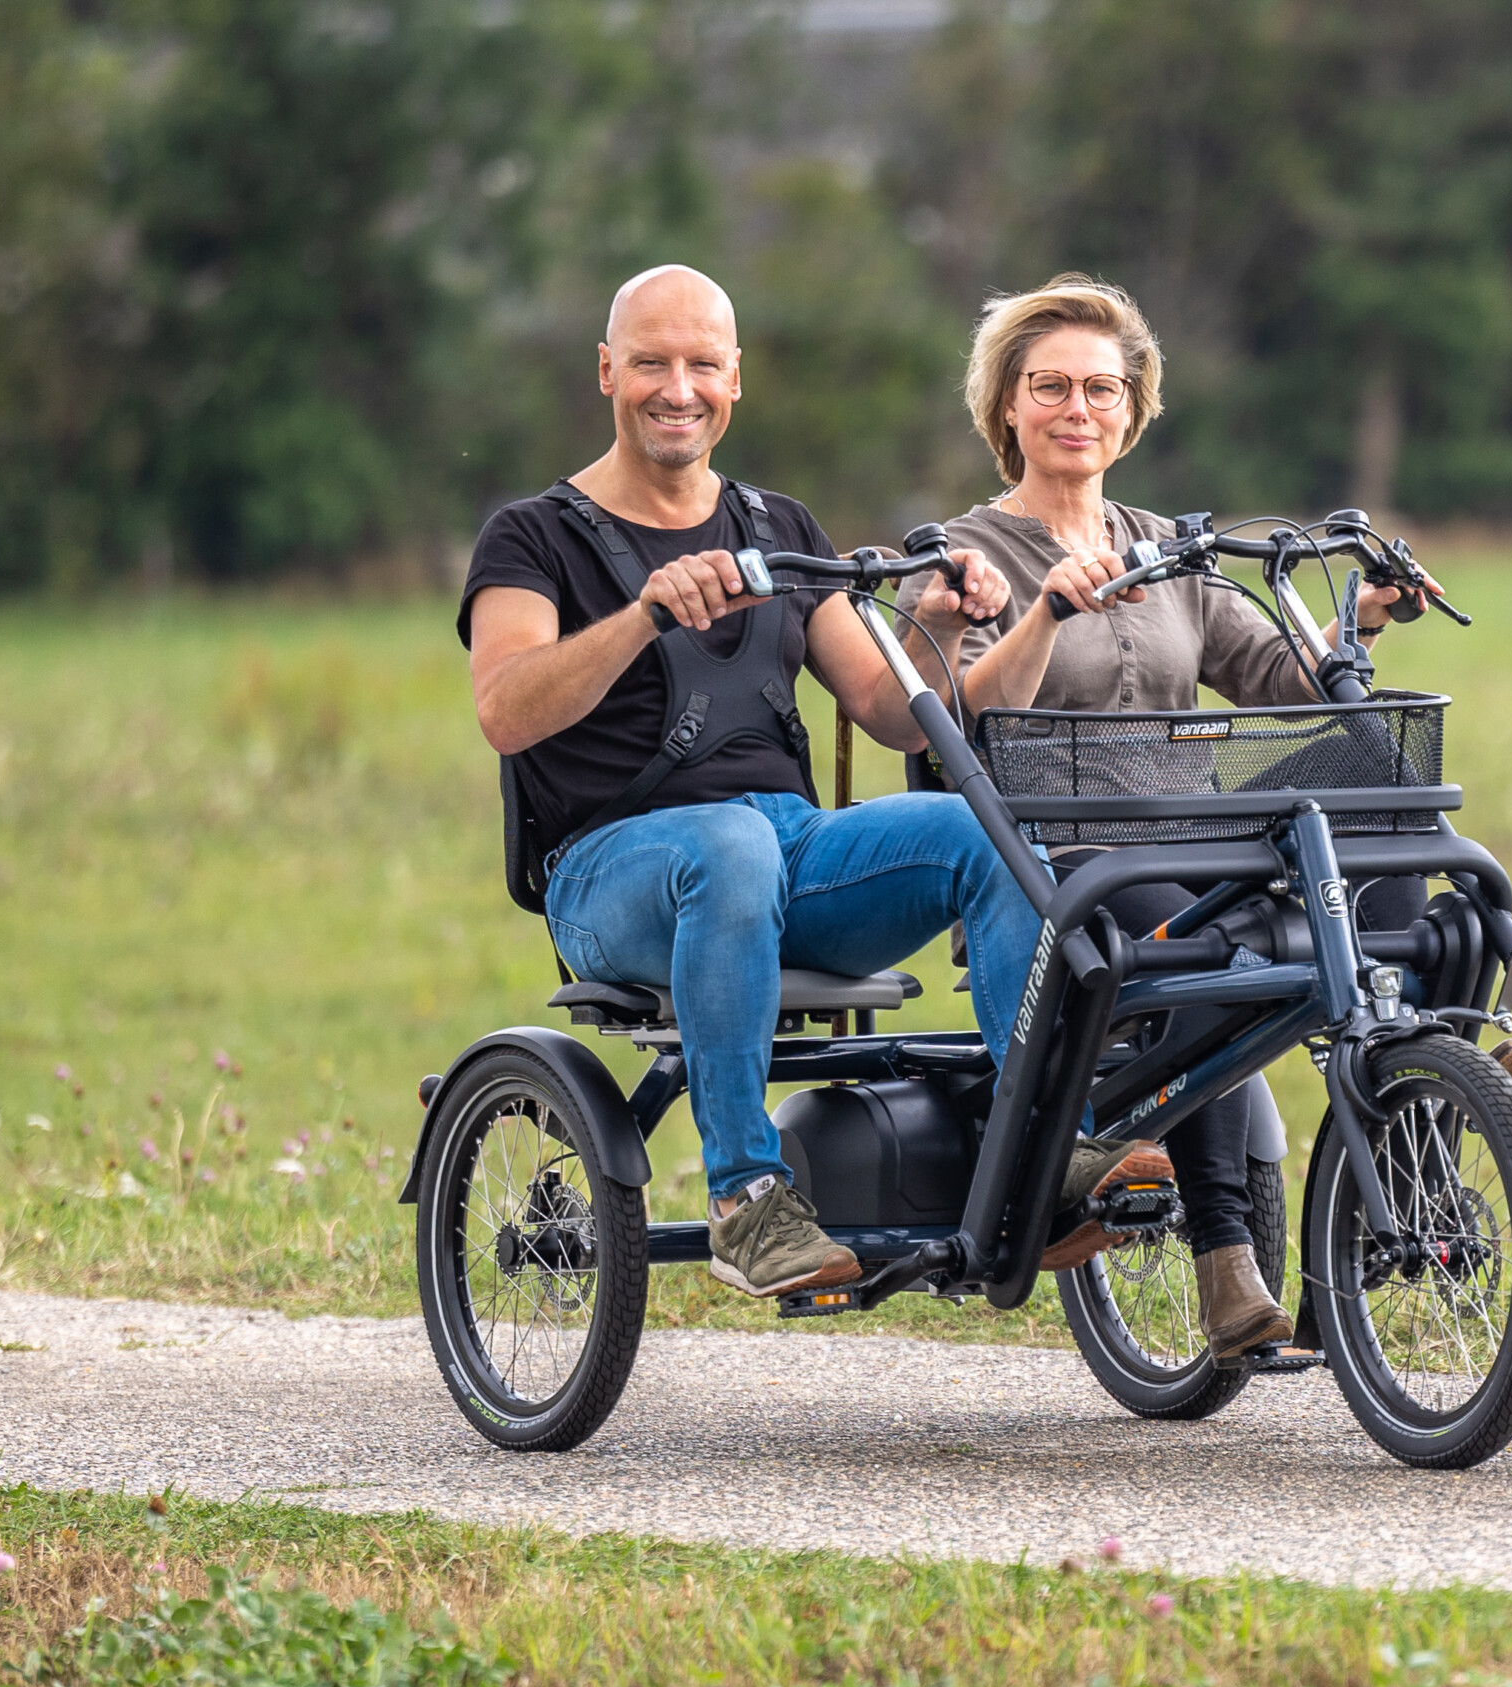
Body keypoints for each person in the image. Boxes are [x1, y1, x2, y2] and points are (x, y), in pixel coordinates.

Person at [463, 265, 1170, 1301]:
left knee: (980, 829)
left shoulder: (777, 525)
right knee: (729, 847)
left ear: (735, 378)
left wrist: (941, 622)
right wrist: (645, 615)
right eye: (652, 363)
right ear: (608, 371)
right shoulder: (532, 536)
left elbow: (894, 709)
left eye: (702, 365)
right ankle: (748, 1198)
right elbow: (505, 710)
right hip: (611, 873)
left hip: (785, 853)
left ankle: (1046, 1151)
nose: (678, 389)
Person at [900, 274, 1428, 1364]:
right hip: (1058, 859)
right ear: (1007, 407)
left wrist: (1359, 626)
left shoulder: (1166, 546)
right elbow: (954, 721)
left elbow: (1275, 678)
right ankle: (1227, 1263)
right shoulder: (962, 553)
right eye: (1050, 386)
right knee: (1217, 949)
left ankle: (1413, 1082)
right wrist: (1050, 609)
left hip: (1197, 842)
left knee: (1385, 802)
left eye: (1101, 388)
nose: (1077, 408)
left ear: (1131, 409)